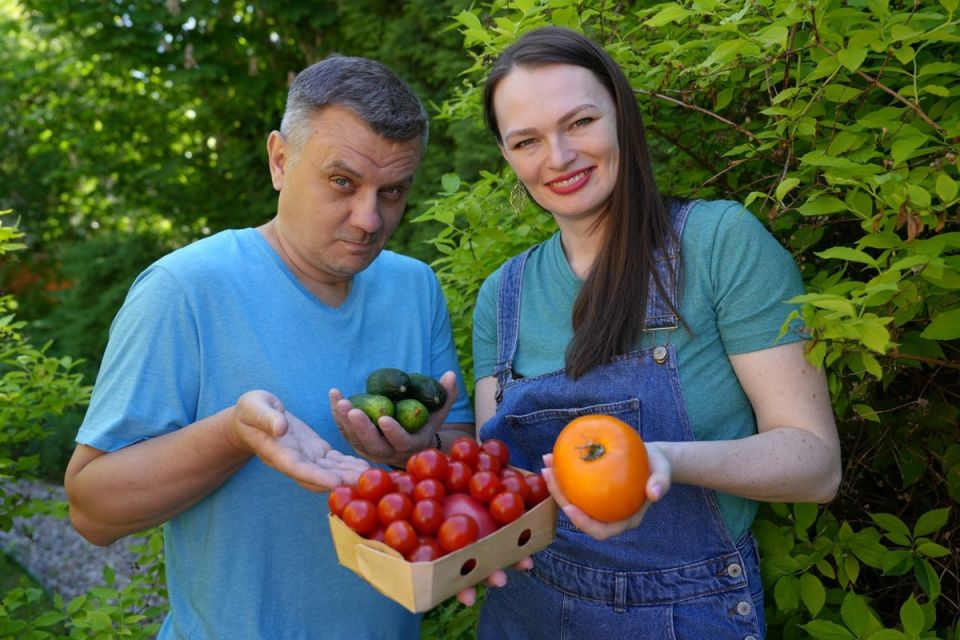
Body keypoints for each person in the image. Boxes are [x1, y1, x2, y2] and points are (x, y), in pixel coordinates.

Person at [64, 54, 476, 639]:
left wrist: (416, 450)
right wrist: (234, 435)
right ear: (280, 160)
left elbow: (460, 455)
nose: (369, 219)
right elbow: (92, 511)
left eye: (392, 192)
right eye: (342, 182)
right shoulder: (184, 289)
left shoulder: (415, 287)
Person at [471, 26, 842, 639]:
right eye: (526, 140)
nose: (557, 156)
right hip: (525, 610)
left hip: (684, 614)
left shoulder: (719, 243)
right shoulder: (501, 296)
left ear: (621, 115)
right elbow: (505, 486)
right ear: (507, 156)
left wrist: (663, 460)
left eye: (580, 122)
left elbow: (816, 465)